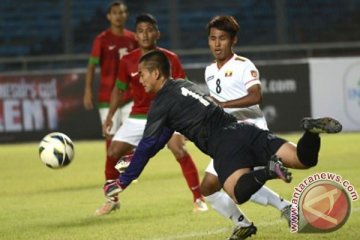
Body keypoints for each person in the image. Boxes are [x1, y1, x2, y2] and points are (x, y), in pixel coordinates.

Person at [103, 50, 342, 239]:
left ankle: (269, 171)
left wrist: (122, 182)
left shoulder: (161, 103)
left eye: (142, 73)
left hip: (224, 145)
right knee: (303, 159)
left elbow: (146, 145)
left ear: (156, 73)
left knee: (238, 192)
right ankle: (311, 132)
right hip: (245, 130)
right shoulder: (183, 85)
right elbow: (160, 138)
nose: (139, 78)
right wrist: (134, 161)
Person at [103, 13, 208, 213]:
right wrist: (110, 116)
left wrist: (184, 123)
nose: (145, 35)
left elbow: (183, 88)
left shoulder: (170, 58)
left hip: (169, 116)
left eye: (149, 30)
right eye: (141, 31)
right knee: (113, 152)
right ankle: (112, 199)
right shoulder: (127, 61)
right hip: (139, 116)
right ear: (135, 35)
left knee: (178, 148)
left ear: (157, 33)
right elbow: (119, 89)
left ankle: (198, 198)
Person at [200, 15, 292, 231]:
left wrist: (222, 105)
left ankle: (282, 206)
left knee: (236, 184)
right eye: (212, 38)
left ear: (233, 40)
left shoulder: (243, 65)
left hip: (251, 130)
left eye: (222, 38)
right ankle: (244, 223)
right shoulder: (209, 71)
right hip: (228, 136)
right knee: (208, 187)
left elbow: (256, 96)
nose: (217, 43)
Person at [82, 0, 138, 216]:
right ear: (109, 16)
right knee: (111, 146)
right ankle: (112, 198)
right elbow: (91, 66)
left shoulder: (133, 38)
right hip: (107, 98)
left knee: (133, 137)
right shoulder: (102, 40)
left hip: (130, 95)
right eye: (114, 13)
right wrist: (87, 90)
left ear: (126, 15)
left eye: (122, 12)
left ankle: (131, 164)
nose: (118, 16)